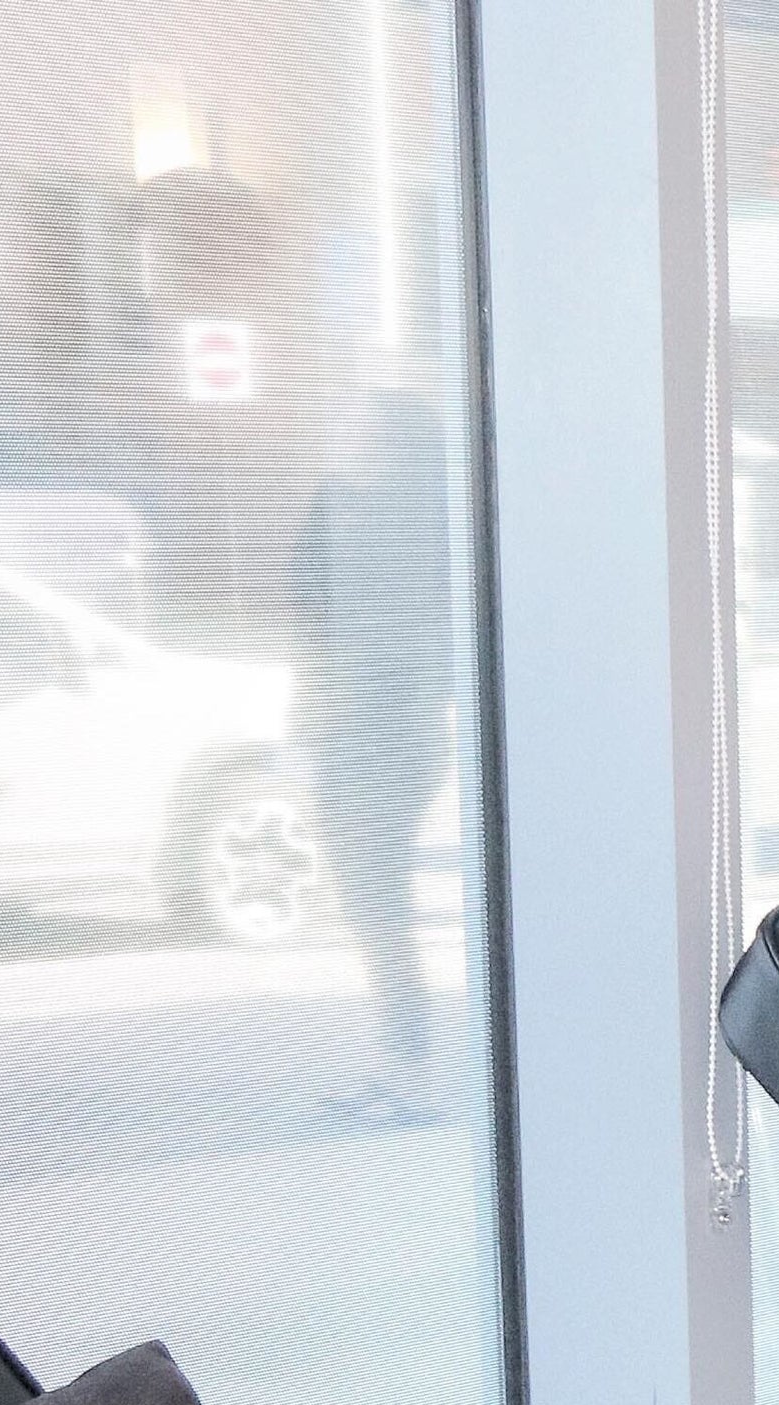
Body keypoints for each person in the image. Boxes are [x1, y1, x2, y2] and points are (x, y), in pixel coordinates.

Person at [289, 391, 460, 1121]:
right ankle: (398, 1064)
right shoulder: (344, 506)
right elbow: (308, 615)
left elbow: (409, 638)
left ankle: (408, 1071)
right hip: (344, 730)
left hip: (381, 733)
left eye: (365, 430)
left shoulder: (405, 521)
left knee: (376, 901)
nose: (348, 440)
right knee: (366, 902)